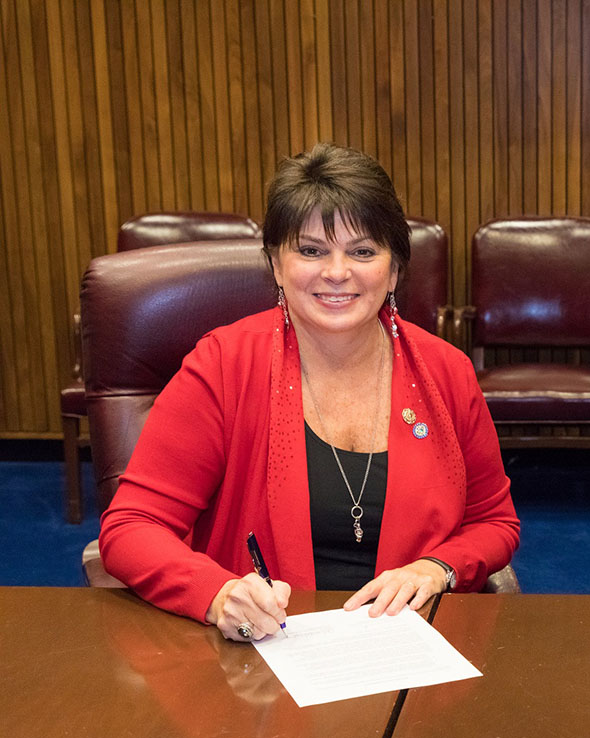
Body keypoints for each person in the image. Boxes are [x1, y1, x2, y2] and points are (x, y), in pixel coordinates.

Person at [99, 143, 520, 641]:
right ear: (276, 265)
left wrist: (438, 568)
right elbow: (130, 527)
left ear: (394, 270)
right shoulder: (223, 365)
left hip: (409, 655)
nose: (337, 272)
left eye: (362, 251)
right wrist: (216, 594)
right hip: (267, 657)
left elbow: (493, 521)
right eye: (311, 250)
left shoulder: (445, 371)